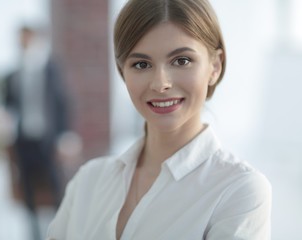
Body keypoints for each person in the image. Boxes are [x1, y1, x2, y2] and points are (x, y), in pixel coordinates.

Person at [46, 0, 272, 239]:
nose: (160, 83)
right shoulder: (88, 181)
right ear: (123, 72)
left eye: (182, 61)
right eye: (141, 64)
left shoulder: (239, 190)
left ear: (214, 66)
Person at [1, 26, 72, 240]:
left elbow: (62, 103)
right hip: (23, 138)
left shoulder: (50, 69)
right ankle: (33, 234)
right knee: (27, 189)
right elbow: (7, 104)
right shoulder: (13, 73)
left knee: (55, 185)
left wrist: (65, 135)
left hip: (47, 139)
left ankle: (63, 230)